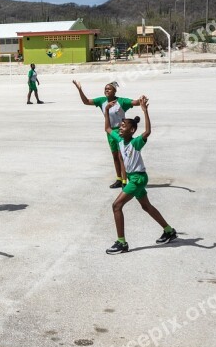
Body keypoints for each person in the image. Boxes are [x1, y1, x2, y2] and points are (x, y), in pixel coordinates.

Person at [104, 98, 177, 254]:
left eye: (124, 126)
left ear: (131, 131)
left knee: (116, 206)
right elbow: (108, 128)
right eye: (121, 125)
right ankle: (169, 231)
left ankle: (122, 243)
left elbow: (148, 132)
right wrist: (106, 112)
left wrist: (145, 111)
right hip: (133, 178)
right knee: (146, 206)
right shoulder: (119, 140)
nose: (120, 128)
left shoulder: (135, 142)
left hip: (138, 178)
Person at [73, 81, 143, 189]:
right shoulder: (102, 101)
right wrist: (80, 89)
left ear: (114, 91)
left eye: (109, 89)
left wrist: (141, 100)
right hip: (110, 132)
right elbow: (86, 101)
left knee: (121, 156)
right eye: (105, 89)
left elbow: (134, 102)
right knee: (115, 156)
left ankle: (125, 181)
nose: (106, 90)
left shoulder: (121, 101)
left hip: (120, 132)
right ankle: (119, 179)